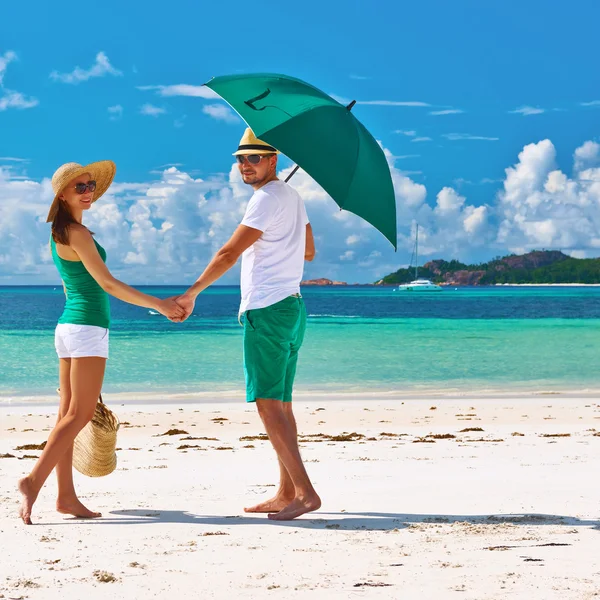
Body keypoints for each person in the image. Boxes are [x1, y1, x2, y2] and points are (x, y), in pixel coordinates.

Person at [18, 161, 184, 525]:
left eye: (90, 184)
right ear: (62, 194)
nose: (87, 190)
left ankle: (65, 497)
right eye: (79, 186)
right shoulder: (77, 233)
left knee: (67, 415)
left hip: (68, 328)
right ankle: (32, 482)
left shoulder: (62, 233)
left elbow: (72, 284)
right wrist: (160, 305)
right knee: (78, 414)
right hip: (87, 328)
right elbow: (107, 284)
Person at [175, 128, 320, 520]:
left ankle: (305, 493)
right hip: (291, 307)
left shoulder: (266, 199)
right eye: (240, 158)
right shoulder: (291, 197)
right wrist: (275, 236)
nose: (244, 165)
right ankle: (286, 492)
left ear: (274, 160)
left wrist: (191, 293)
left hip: (268, 309)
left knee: (268, 405)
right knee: (283, 405)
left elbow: (228, 253)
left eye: (254, 158)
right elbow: (308, 251)